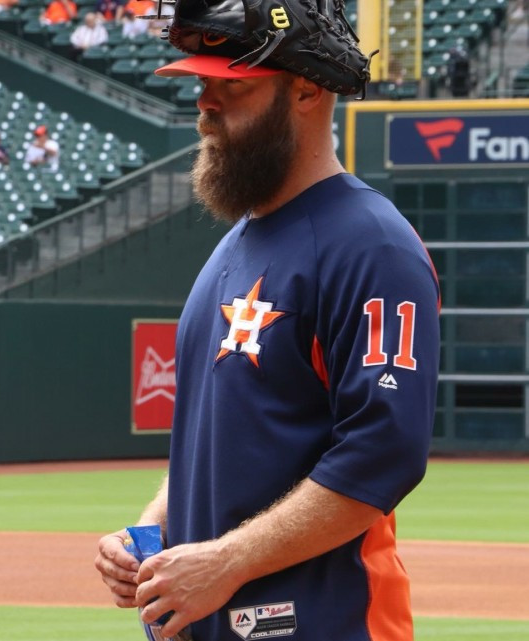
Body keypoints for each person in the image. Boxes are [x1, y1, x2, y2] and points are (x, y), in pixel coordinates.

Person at [93, 11, 440, 641]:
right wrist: (153, 529)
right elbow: (222, 441)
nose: (204, 103)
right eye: (201, 83)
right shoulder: (232, 248)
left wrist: (225, 561)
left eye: (232, 85)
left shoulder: (373, 245)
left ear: (308, 88)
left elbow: (383, 455)